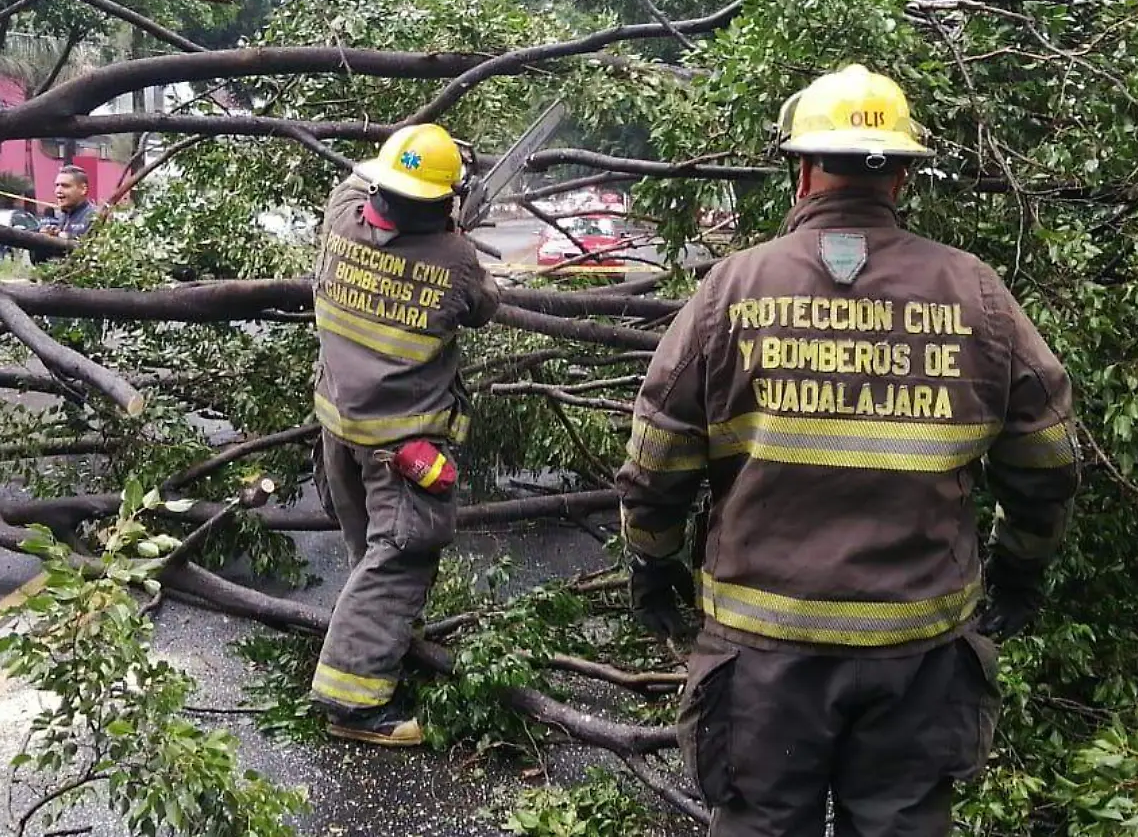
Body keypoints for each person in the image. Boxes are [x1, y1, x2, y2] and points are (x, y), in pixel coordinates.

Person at [615, 65, 1082, 836]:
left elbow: (657, 460)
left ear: (802, 170)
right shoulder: (978, 295)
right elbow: (1046, 463)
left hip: (765, 658)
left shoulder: (732, 290)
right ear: (902, 173)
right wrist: (1021, 568)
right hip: (919, 657)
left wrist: (653, 561)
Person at [309, 122, 500, 747]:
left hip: (339, 424)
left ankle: (373, 640)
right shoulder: (456, 259)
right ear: (445, 205)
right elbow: (483, 307)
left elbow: (353, 183)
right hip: (404, 445)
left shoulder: (340, 218)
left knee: (366, 547)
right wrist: (456, 227)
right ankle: (353, 701)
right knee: (402, 555)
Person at [38, 165, 97, 242]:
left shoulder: (95, 218)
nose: (58, 191)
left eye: (65, 186)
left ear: (83, 189)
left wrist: (65, 237)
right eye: (57, 185)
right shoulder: (58, 217)